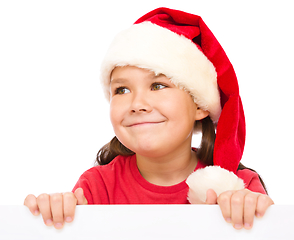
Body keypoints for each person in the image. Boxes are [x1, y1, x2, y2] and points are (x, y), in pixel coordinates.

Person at [24, 7, 274, 230]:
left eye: (157, 85)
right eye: (121, 90)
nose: (137, 104)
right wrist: (53, 214)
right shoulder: (97, 186)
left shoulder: (239, 188)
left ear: (200, 105)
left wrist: (250, 212)